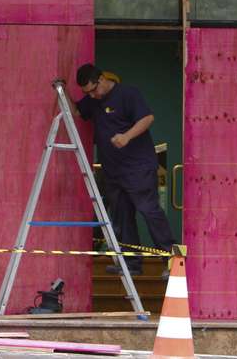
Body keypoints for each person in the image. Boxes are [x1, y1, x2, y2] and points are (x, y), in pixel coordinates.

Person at [72, 63, 175, 277]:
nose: (91, 96)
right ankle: (131, 263)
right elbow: (76, 112)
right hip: (113, 171)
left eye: (93, 90)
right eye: (87, 93)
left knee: (149, 210)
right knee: (121, 217)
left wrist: (126, 136)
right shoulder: (93, 101)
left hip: (138, 167)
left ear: (101, 80)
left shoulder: (127, 94)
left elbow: (148, 118)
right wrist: (59, 92)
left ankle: (172, 260)